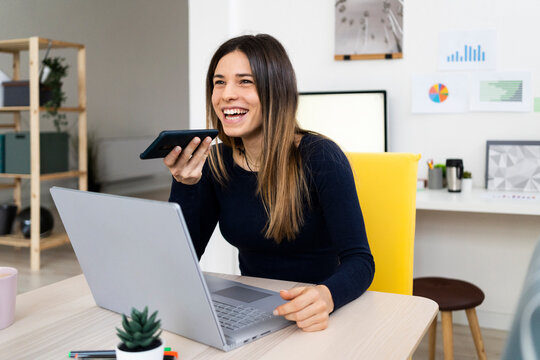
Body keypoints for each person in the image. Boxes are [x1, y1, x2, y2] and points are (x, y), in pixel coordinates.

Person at [164, 34, 374, 332]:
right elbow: (181, 260)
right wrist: (184, 184)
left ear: (275, 90)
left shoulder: (320, 156)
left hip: (314, 312)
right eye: (219, 82)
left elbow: (360, 261)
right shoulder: (216, 162)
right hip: (251, 312)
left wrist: (326, 296)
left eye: (245, 81)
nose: (226, 95)